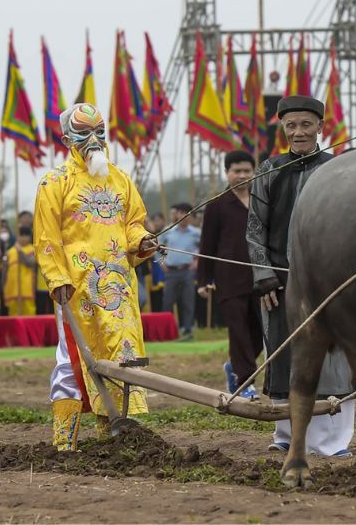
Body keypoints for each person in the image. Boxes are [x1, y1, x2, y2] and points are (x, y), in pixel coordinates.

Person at [34, 103, 158, 451]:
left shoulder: (121, 179)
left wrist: (143, 240)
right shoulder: (55, 182)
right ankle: (64, 442)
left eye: (99, 132)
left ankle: (113, 435)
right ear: (66, 138)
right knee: (73, 359)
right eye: (84, 132)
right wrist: (57, 278)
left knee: (124, 355)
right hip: (76, 289)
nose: (93, 139)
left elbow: (133, 224)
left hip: (119, 287)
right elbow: (46, 239)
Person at [247, 95, 355, 457]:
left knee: (334, 357)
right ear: (282, 128)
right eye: (291, 125)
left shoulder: (339, 170)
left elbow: (352, 227)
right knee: (282, 355)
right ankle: (284, 436)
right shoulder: (268, 171)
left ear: (320, 127)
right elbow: (255, 229)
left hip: (330, 282)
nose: (298, 132)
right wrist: (264, 276)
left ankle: (333, 442)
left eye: (306, 124)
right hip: (279, 283)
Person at [197, 150, 263, 399]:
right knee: (238, 332)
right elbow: (207, 244)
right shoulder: (217, 206)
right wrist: (204, 280)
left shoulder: (261, 201)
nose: (242, 176)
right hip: (229, 279)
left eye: (247, 171)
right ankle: (245, 382)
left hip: (261, 277)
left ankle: (235, 368)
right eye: (237, 171)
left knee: (261, 330)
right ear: (227, 173)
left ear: (254, 172)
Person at [159, 203, 201, 340]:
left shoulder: (196, 233)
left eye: (186, 213)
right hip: (170, 271)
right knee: (168, 301)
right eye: (180, 213)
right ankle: (166, 332)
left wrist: (196, 262)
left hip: (187, 271)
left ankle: (188, 331)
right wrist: (161, 261)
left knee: (188, 301)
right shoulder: (168, 231)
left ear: (190, 216)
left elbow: (205, 248)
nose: (182, 216)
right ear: (176, 215)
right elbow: (156, 247)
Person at [4, 226, 37, 316]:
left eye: (26, 235)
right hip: (12, 287)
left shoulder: (33, 249)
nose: (23, 238)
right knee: (13, 312)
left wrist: (20, 252)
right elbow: (5, 270)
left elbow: (30, 263)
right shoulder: (10, 251)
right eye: (21, 235)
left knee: (29, 311)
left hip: (27, 286)